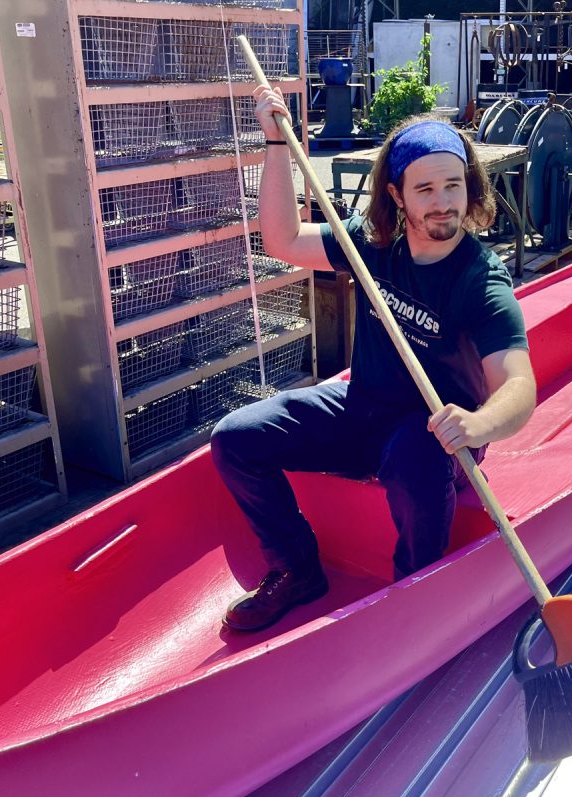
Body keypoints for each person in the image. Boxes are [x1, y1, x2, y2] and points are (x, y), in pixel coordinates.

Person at [211, 84, 537, 632]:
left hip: (437, 437)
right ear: (397, 195)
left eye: (453, 185)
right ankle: (296, 570)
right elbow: (282, 240)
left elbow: (518, 386)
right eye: (425, 189)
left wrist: (478, 424)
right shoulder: (371, 242)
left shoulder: (481, 279)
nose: (443, 202)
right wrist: (276, 144)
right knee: (235, 439)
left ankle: (414, 595)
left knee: (415, 452)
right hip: (361, 411)